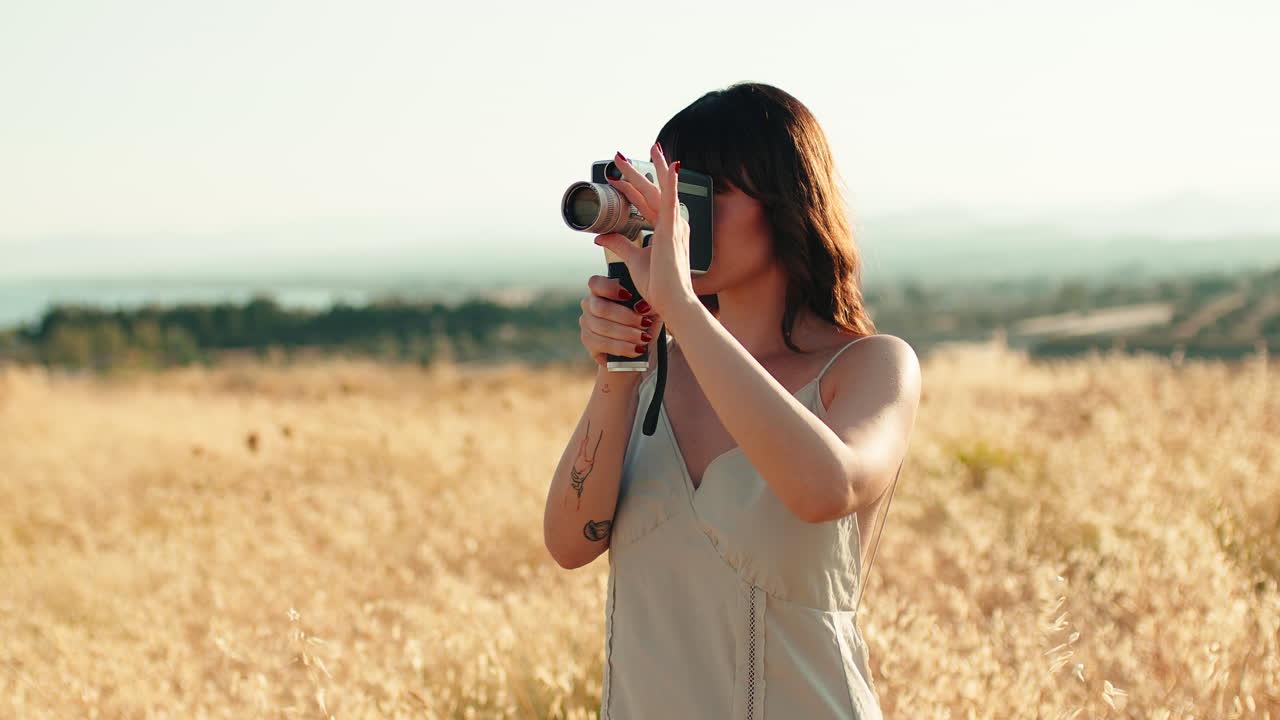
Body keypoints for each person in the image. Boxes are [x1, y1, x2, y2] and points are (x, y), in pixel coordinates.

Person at [543, 81, 921, 719]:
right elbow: (569, 543)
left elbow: (823, 487)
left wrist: (685, 314)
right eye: (669, 194)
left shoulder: (868, 366)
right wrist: (619, 370)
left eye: (705, 194)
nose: (679, 220)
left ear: (787, 204)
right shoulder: (652, 375)